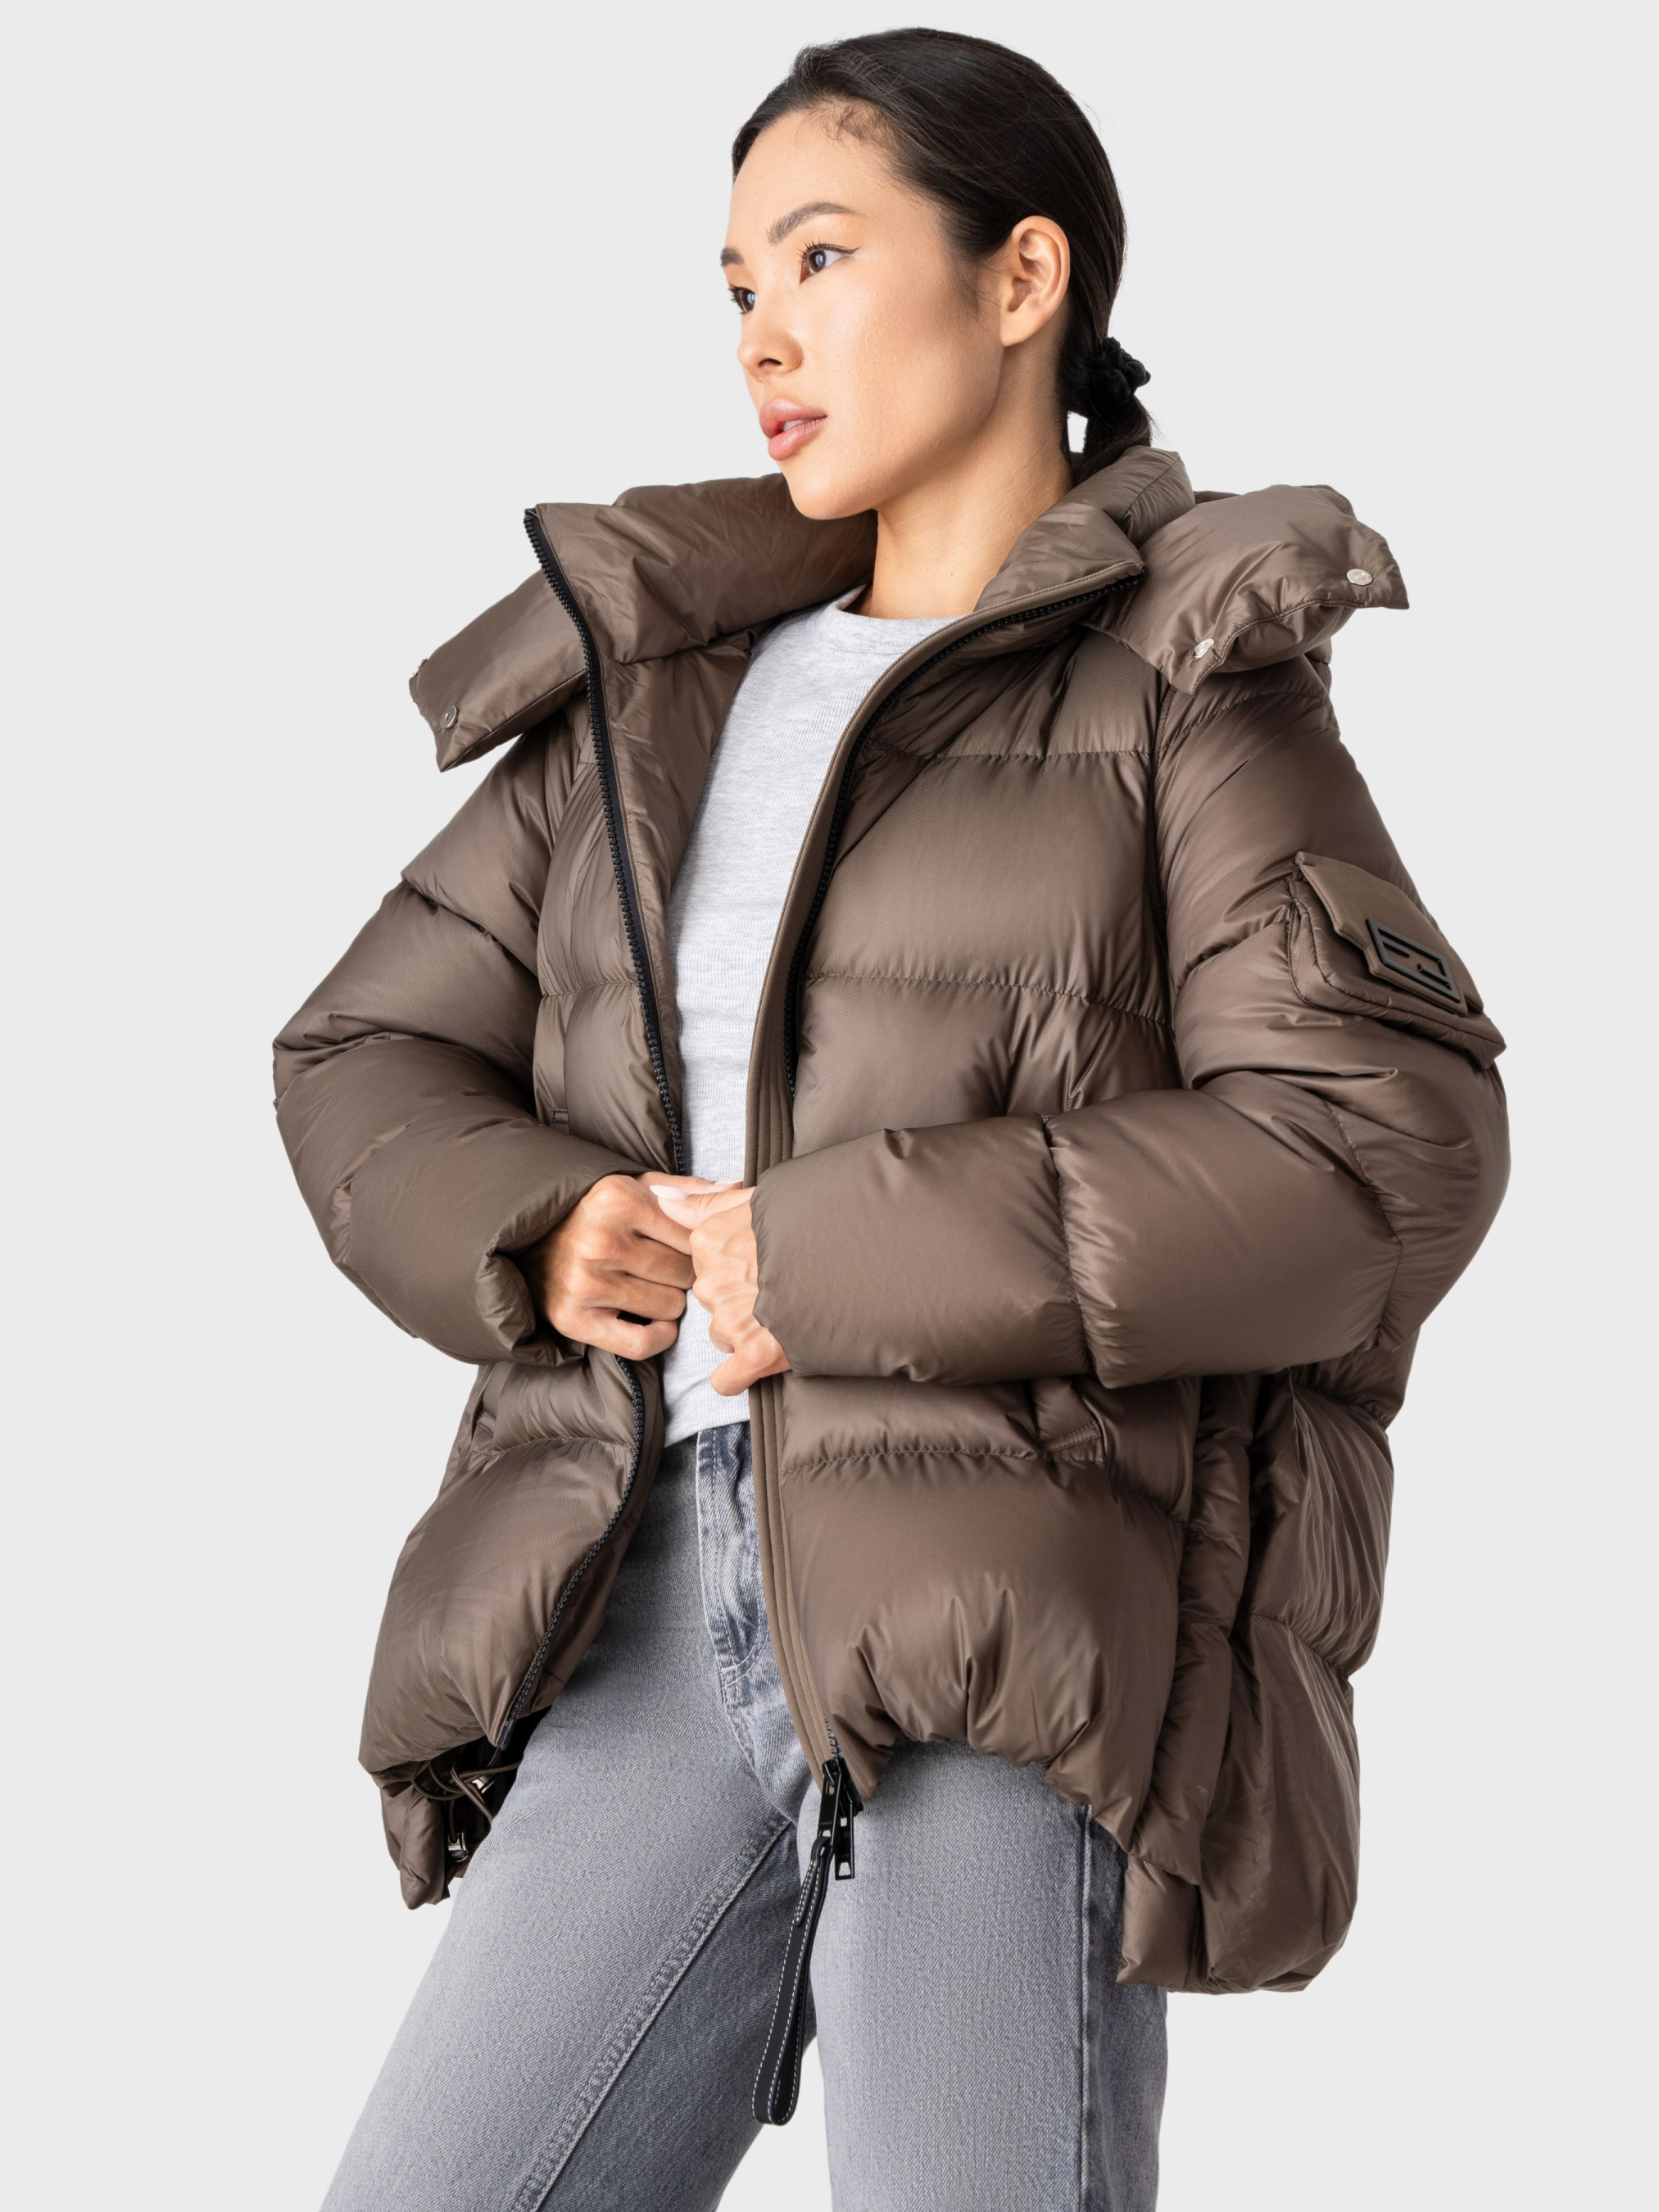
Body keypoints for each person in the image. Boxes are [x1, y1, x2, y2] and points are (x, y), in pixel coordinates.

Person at [275, 28, 1509, 2211]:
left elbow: (1374, 1150)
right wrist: (539, 1223)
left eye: (822, 257)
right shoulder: (656, 693)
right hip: (639, 1597)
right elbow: (359, 1050)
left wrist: (832, 1250)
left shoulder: (1181, 678)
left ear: (1021, 276)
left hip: (996, 1626)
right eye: (737, 282)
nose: (764, 330)